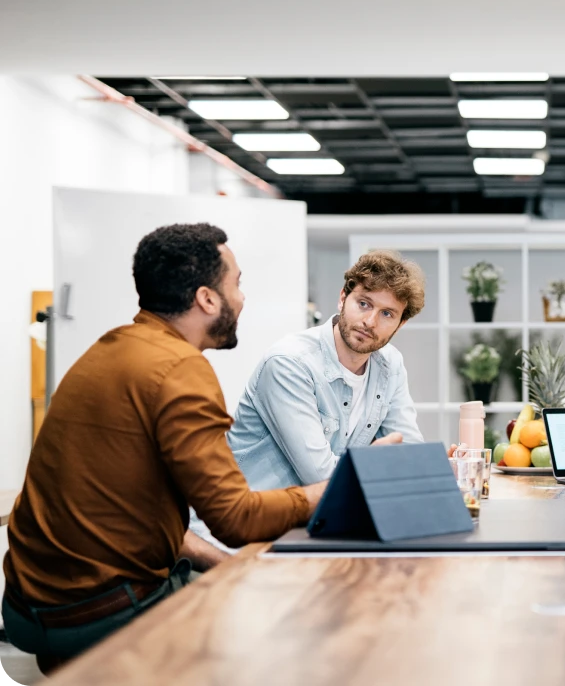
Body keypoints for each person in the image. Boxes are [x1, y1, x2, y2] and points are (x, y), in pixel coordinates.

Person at [2, 224, 328, 673]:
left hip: (28, 603)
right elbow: (235, 519)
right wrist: (325, 492)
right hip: (99, 608)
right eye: (237, 282)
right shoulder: (180, 369)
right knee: (289, 628)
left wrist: (227, 565)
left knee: (241, 584)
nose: (243, 297)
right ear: (207, 299)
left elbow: (134, 517)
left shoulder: (110, 348)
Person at [189, 250, 435, 557]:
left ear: (400, 324)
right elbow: (321, 478)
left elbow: (408, 452)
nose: (370, 322)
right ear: (342, 298)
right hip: (237, 544)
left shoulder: (390, 365)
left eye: (387, 314)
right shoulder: (289, 364)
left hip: (311, 534)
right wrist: (379, 468)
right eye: (364, 303)